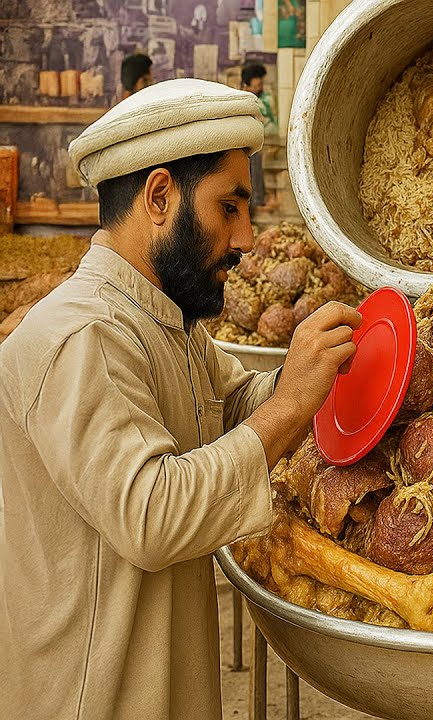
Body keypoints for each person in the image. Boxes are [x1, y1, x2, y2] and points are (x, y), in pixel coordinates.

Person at [0, 78, 362, 718]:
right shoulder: (83, 336)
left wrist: (312, 376)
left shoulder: (165, 322)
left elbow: (239, 404)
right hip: (93, 698)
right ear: (160, 196)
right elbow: (152, 514)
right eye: (231, 207)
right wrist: (287, 407)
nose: (248, 239)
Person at [240, 61, 277, 212]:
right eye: (256, 85)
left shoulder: (266, 99)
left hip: (265, 140)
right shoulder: (243, 97)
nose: (259, 88)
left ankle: (257, 199)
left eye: (260, 84)